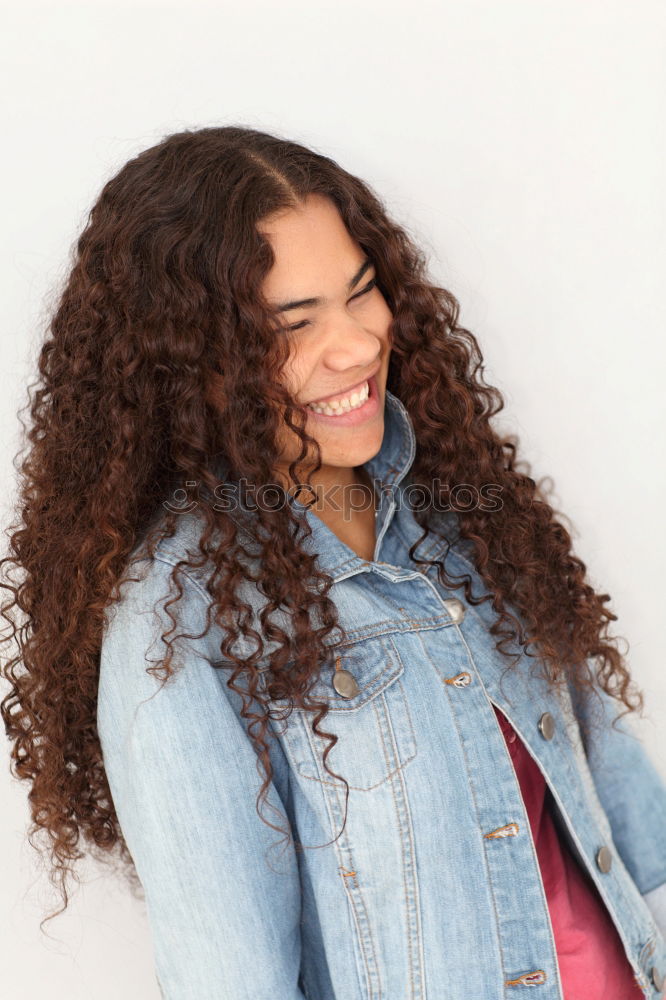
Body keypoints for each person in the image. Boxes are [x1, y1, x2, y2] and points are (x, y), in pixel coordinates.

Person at [1, 125, 665, 1000]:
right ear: (191, 366)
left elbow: (624, 815)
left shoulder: (465, 508)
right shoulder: (179, 621)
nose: (355, 345)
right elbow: (228, 977)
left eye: (361, 294)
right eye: (292, 325)